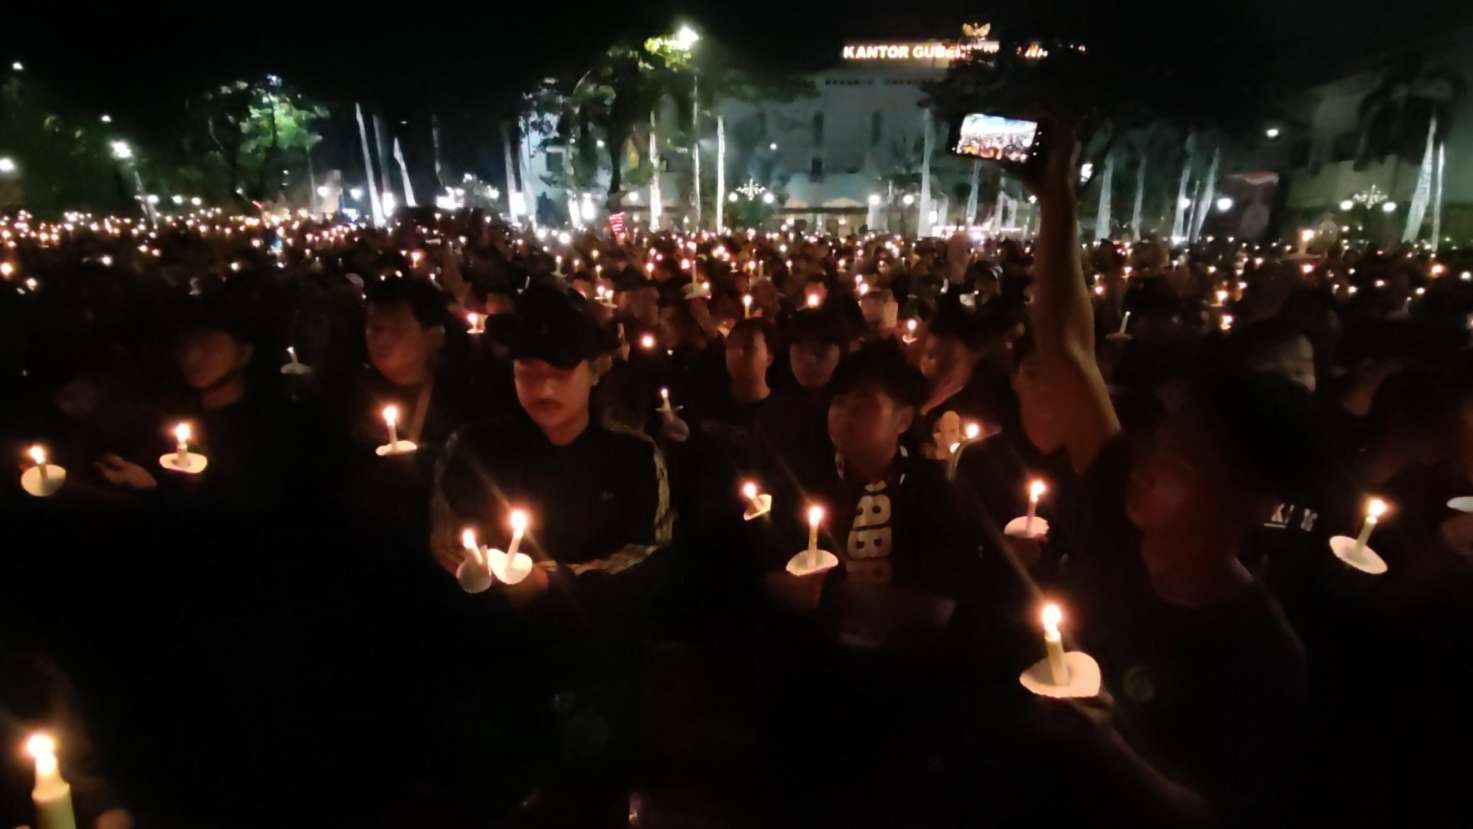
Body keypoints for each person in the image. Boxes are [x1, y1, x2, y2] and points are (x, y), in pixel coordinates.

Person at [1022, 119, 1324, 825]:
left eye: (1181, 462)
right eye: (1160, 441)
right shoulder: (1120, 503)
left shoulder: (1258, 655)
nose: (1146, 464)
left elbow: (1218, 810)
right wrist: (1055, 203)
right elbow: (1067, 350)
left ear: (1248, 502)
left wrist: (1107, 744)